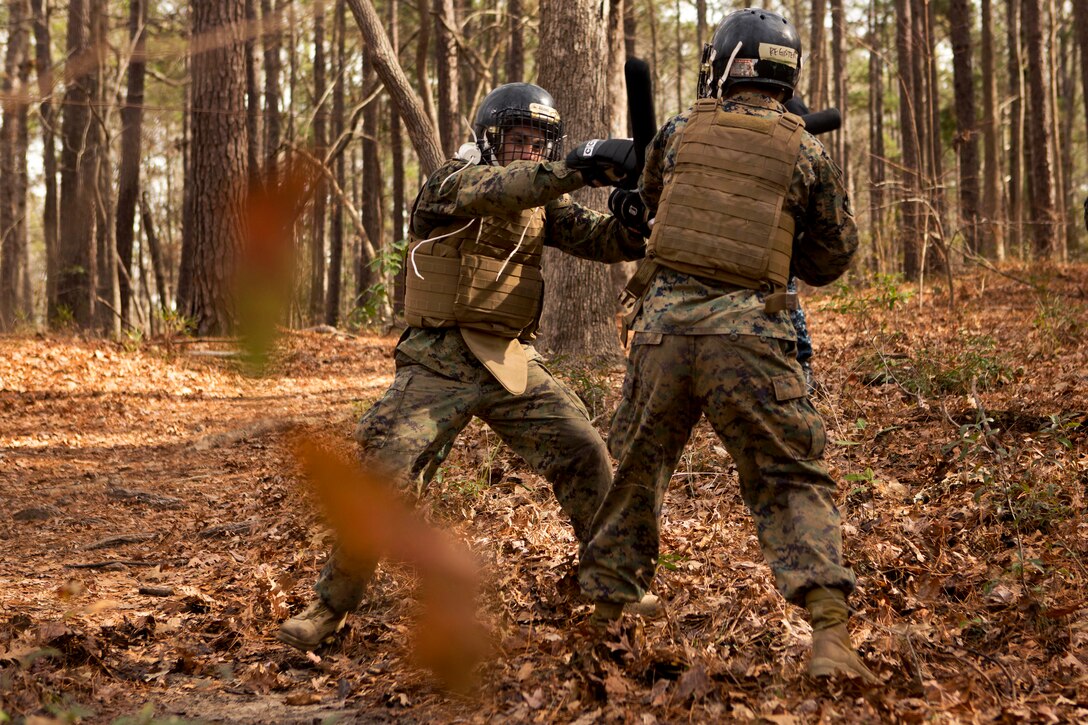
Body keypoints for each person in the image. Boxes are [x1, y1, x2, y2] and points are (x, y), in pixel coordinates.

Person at [278, 83, 647, 651]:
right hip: (439, 361)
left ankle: (613, 587)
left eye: (540, 142)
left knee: (583, 448)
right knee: (386, 471)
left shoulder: (545, 196)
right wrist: (580, 169)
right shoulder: (452, 181)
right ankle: (330, 607)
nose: (529, 151)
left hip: (510, 360)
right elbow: (497, 193)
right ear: (489, 138)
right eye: (519, 139)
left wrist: (634, 221)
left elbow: (598, 240)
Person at [578, 9, 878, 682]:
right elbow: (834, 257)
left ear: (725, 65)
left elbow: (652, 202)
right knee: (790, 477)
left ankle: (603, 617)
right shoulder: (806, 149)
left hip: (661, 336)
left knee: (633, 474)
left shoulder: (682, 131)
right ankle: (830, 631)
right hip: (752, 340)